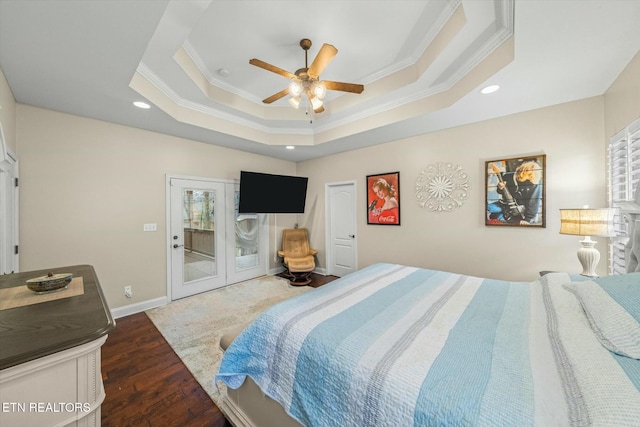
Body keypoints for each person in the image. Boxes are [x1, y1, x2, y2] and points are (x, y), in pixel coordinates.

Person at [487, 160, 542, 225]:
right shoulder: (508, 176)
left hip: (520, 212)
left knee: (498, 219)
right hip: (505, 206)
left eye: (528, 180)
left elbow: (534, 202)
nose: (525, 181)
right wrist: (500, 188)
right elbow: (499, 191)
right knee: (488, 208)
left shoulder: (535, 183)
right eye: (520, 177)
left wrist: (528, 219)